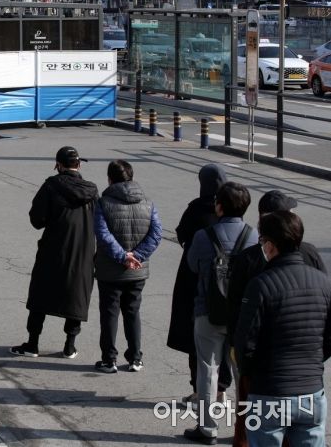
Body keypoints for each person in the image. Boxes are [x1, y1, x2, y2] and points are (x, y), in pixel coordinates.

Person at [227, 190, 326, 447]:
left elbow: (244, 338)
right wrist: (315, 360)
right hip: (311, 390)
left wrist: (251, 373)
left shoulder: (260, 284)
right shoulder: (323, 281)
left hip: (269, 388)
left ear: (270, 244)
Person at [184, 181, 258, 445]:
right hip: (242, 316)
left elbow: (193, 265)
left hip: (208, 311)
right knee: (243, 373)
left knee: (208, 369)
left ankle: (207, 428)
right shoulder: (253, 237)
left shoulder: (204, 236)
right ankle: (247, 429)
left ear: (219, 207)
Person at [10, 147, 98, 358]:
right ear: (79, 165)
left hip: (53, 248)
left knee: (41, 294)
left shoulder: (51, 185)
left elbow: (36, 219)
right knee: (77, 295)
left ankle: (32, 344)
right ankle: (69, 345)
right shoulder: (92, 190)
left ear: (58, 165)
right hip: (83, 251)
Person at [167, 164, 233, 408]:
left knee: (198, 341)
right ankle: (222, 390)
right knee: (225, 341)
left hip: (195, 283)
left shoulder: (196, 209)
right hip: (228, 285)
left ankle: (199, 392)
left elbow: (182, 236)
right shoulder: (232, 208)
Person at [94, 160, 162, 373]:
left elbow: (102, 234)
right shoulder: (148, 203)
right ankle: (135, 357)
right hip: (137, 270)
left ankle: (109, 359)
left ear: (110, 179)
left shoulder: (103, 202)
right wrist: (137, 256)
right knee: (132, 311)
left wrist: (122, 256)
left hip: (110, 269)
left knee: (109, 313)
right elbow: (156, 233)